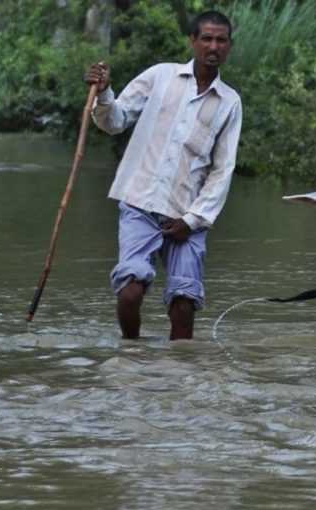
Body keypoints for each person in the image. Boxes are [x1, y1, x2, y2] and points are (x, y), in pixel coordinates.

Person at [85, 10, 242, 340]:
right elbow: (114, 121)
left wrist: (193, 219)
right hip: (140, 203)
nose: (213, 46)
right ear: (193, 41)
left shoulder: (230, 102)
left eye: (221, 40)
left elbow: (222, 170)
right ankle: (132, 353)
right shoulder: (160, 76)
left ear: (229, 46)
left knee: (183, 305)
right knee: (130, 293)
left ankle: (178, 379)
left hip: (186, 215)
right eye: (207, 38)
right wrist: (103, 93)